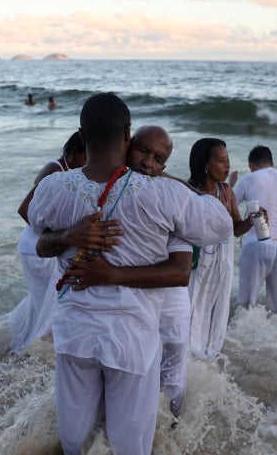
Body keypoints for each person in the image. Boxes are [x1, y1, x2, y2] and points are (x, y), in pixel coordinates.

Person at [26, 93, 232, 455]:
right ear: (127, 134)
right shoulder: (161, 193)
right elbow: (220, 224)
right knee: (131, 449)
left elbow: (37, 233)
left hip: (74, 330)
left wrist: (70, 235)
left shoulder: (54, 188)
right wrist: (166, 179)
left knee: (76, 440)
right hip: (131, 335)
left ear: (83, 135)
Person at [44, 125, 192, 417]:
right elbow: (40, 235)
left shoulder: (167, 195)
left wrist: (111, 275)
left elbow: (181, 272)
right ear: (126, 146)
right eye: (143, 151)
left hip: (169, 304)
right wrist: (69, 237)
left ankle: (172, 436)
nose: (148, 162)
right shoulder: (97, 189)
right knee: (121, 397)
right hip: (126, 320)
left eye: (159, 159)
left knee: (171, 379)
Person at [10, 131, 87, 354]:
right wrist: (59, 234)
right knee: (51, 303)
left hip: (36, 246)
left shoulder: (62, 169)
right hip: (36, 249)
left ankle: (30, 343)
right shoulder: (56, 170)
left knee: (43, 303)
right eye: (85, 158)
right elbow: (25, 209)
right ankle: (35, 348)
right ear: (72, 154)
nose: (87, 164)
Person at [186, 138, 254, 359]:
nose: (227, 166)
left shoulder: (226, 192)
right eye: (221, 161)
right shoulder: (191, 191)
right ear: (205, 164)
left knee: (217, 304)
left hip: (222, 260)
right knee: (192, 303)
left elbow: (236, 229)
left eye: (228, 160)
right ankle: (187, 354)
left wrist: (252, 221)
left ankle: (208, 354)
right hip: (197, 261)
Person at [233, 145, 277, 314]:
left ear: (251, 166)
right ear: (272, 164)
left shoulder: (249, 178)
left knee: (246, 306)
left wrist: (230, 184)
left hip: (258, 244)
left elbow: (227, 206)